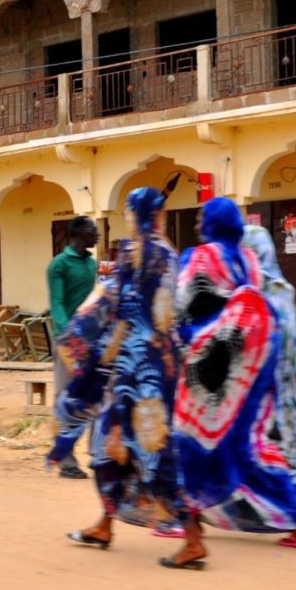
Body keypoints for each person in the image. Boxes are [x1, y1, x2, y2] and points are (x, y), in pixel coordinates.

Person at [48, 187, 192, 568]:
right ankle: (105, 523)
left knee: (150, 450)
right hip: (156, 366)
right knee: (113, 445)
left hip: (137, 372)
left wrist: (78, 341)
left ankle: (194, 539)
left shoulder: (139, 253)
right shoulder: (172, 256)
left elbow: (114, 302)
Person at [172, 198, 296, 561]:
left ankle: (191, 536)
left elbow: (185, 308)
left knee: (190, 440)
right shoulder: (249, 260)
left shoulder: (198, 256)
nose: (197, 222)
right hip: (252, 358)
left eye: (202, 217)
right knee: (249, 442)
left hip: (212, 364)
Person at [240, 224, 296, 514]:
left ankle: (295, 495)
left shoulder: (253, 291)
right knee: (290, 436)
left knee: (265, 438)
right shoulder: (283, 290)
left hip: (264, 381)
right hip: (285, 379)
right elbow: (294, 338)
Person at [46, 215, 101, 479]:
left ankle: (97, 456)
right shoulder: (59, 265)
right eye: (93, 231)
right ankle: (65, 461)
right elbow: (57, 302)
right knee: (65, 397)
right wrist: (67, 335)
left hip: (90, 339)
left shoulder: (92, 264)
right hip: (68, 340)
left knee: (96, 397)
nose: (97, 235)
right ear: (78, 234)